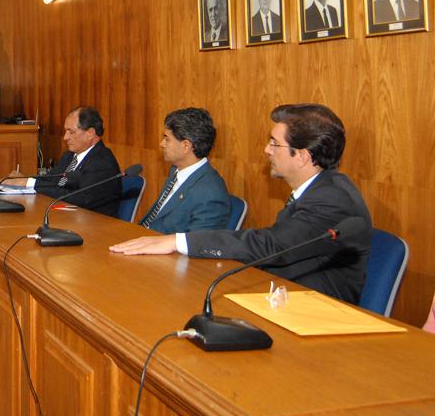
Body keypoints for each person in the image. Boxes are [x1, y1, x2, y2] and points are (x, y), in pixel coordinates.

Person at [110, 104, 372, 304]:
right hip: (285, 298)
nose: (267, 150)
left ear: (302, 156)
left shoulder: (332, 199)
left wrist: (178, 241)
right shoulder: (318, 188)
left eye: (274, 143)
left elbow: (272, 245)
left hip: (315, 314)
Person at [6, 106, 122, 217]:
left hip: (95, 227)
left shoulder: (102, 163)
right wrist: (23, 180)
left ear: (90, 133)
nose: (65, 137)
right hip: (65, 217)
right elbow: (51, 180)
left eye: (71, 132)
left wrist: (29, 183)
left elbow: (79, 199)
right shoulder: (70, 156)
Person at [139, 108, 230, 234]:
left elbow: (196, 246)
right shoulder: (176, 171)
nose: (161, 144)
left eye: (167, 139)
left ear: (186, 146)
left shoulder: (210, 194)